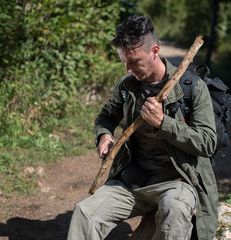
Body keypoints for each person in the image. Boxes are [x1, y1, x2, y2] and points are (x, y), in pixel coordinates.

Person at [67, 15, 218, 240]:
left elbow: (208, 143)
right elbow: (106, 117)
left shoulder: (192, 88)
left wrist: (164, 123)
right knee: (85, 213)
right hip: (133, 181)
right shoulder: (127, 86)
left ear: (154, 50)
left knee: (174, 211)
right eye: (124, 62)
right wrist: (104, 135)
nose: (128, 69)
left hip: (177, 182)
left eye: (134, 61)